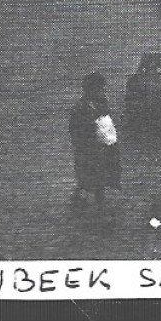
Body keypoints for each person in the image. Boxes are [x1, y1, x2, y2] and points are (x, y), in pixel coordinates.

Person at [68, 72, 121, 218]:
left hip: (101, 147)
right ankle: (100, 208)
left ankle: (81, 196)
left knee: (94, 176)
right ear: (89, 90)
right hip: (89, 149)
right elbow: (76, 130)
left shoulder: (100, 102)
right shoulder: (80, 108)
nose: (101, 91)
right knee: (95, 178)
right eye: (98, 89)